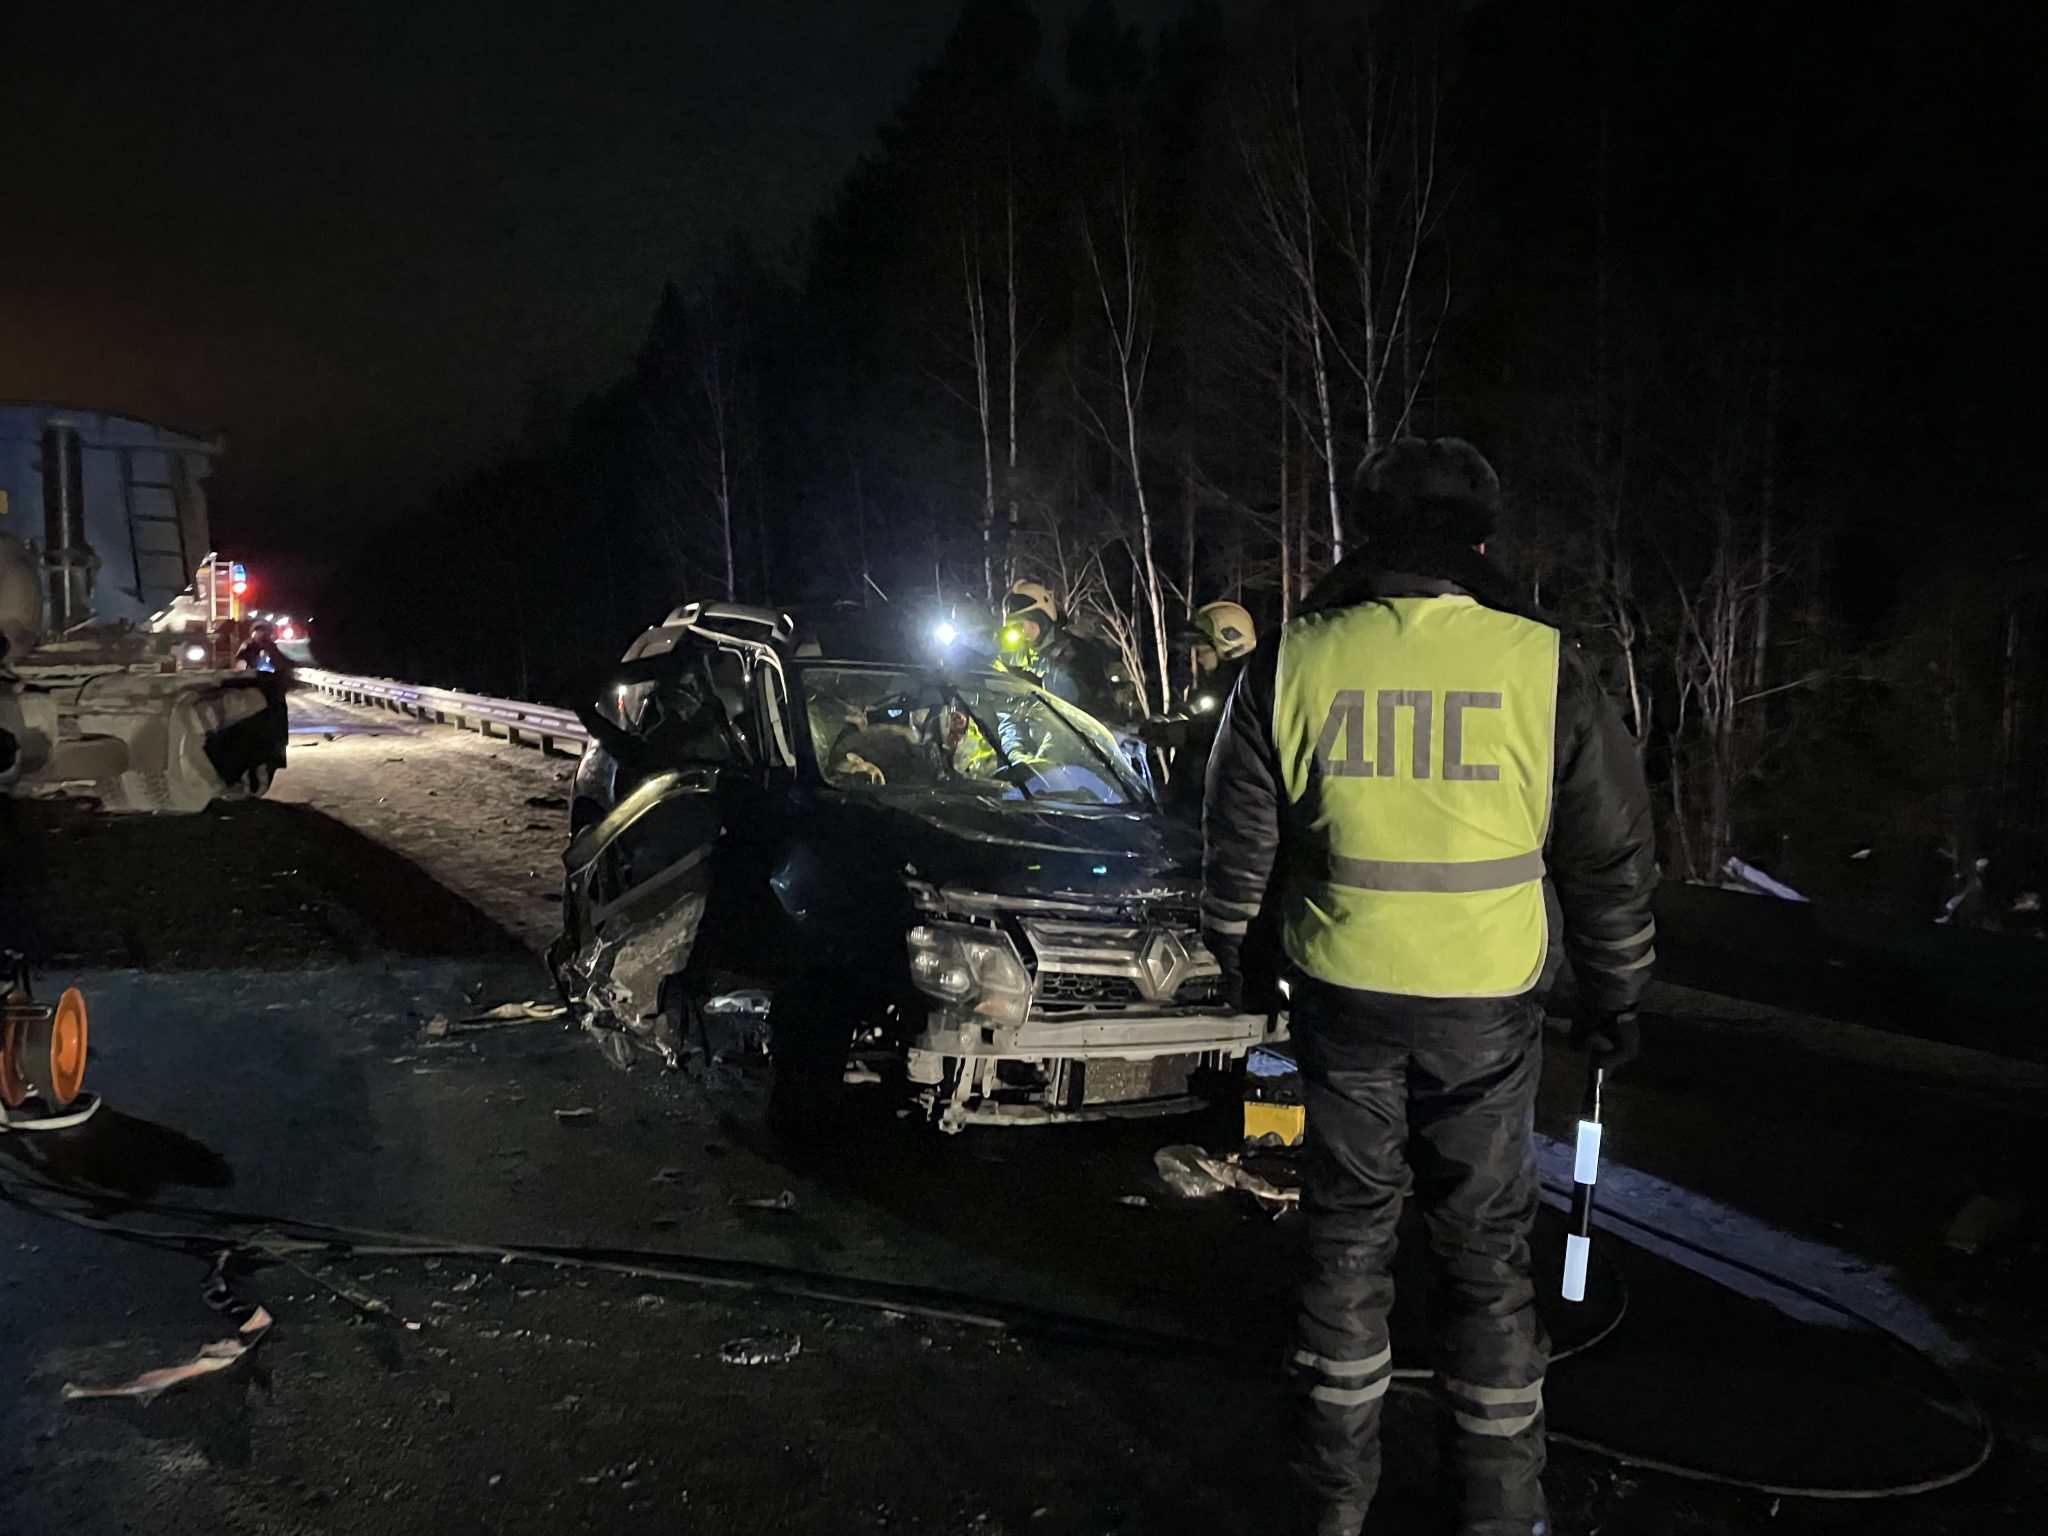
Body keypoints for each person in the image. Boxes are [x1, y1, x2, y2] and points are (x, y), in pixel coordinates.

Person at [1202, 437, 1658, 1536]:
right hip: (1486, 1004)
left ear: (1365, 535)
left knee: (1346, 1237)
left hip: (1342, 988)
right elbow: (1606, 855)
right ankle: (1497, 1511)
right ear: (1481, 541)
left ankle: (1329, 1506)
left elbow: (1235, 842)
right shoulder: (1541, 663)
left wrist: (1237, 949)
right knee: (1484, 1250)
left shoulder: (1293, 660)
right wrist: (1615, 992)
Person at [1144, 600, 1259, 820]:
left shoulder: (1248, 689)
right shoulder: (1217, 684)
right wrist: (1167, 722)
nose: (1196, 656)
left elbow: (1225, 734)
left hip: (1219, 809)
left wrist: (1175, 733)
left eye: (1203, 649)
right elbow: (1195, 715)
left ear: (1230, 643)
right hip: (1195, 802)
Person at [1000, 580, 1133, 725]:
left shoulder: (1080, 652)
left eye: (1021, 624)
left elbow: (1093, 707)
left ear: (1040, 618)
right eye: (1013, 627)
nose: (1019, 632)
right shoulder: (1019, 658)